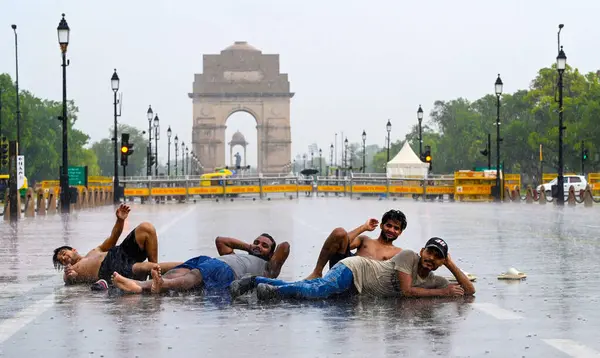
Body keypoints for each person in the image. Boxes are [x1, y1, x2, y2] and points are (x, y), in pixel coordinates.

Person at [230, 237, 475, 301]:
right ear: (422, 251)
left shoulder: (434, 279)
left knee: (312, 287)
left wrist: (451, 264)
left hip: (356, 283)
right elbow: (407, 291)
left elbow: (469, 291)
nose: (431, 258)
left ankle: (255, 282)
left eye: (438, 257)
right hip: (354, 269)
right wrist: (442, 293)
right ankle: (269, 291)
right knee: (316, 291)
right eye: (430, 252)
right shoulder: (409, 256)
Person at [112, 234, 290, 294]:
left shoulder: (269, 269)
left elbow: (285, 246)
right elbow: (221, 241)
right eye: (256, 242)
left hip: (226, 271)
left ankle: (142, 286)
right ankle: (142, 285)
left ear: (272, 254)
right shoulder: (239, 254)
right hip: (209, 261)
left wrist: (268, 256)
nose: (258, 246)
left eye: (264, 246)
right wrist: (250, 247)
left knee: (193, 276)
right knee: (175, 273)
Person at [52, 204, 181, 286]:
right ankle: (187, 265)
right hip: (110, 268)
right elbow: (68, 279)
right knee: (147, 267)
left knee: (146, 228)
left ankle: (154, 278)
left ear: (73, 249)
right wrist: (71, 277)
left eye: (63, 253)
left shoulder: (93, 251)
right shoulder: (72, 269)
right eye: (61, 260)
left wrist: (120, 221)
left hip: (119, 252)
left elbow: (114, 237)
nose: (63, 258)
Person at [304, 209, 407, 280]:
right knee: (339, 232)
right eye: (388, 225)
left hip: (363, 282)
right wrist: (364, 227)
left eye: (396, 228)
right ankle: (317, 272)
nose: (391, 230)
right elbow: (340, 241)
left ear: (400, 232)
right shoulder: (365, 240)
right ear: (381, 225)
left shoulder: (398, 252)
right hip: (342, 272)